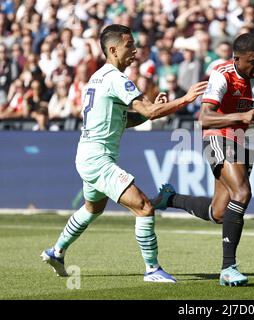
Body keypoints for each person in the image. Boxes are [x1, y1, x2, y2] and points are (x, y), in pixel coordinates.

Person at [40, 24, 207, 283]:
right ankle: (152, 269)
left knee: (92, 208)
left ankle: (57, 251)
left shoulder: (97, 78)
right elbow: (150, 112)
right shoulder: (117, 79)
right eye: (130, 46)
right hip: (97, 158)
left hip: (88, 154)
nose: (135, 50)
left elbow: (125, 120)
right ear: (113, 49)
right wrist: (185, 100)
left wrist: (151, 110)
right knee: (143, 207)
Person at [154, 33, 254, 286]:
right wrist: (238, 118)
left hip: (248, 139)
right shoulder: (222, 74)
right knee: (242, 193)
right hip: (218, 134)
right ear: (236, 59)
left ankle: (170, 198)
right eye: (253, 61)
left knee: (219, 212)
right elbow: (205, 118)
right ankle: (228, 268)